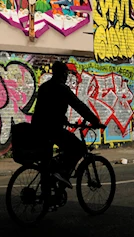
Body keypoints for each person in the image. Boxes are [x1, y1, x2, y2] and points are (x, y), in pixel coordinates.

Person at [31, 60, 106, 189]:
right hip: (52, 129)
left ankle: (47, 196)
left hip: (38, 128)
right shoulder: (62, 88)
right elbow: (79, 105)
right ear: (63, 74)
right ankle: (63, 173)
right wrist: (95, 121)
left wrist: (62, 118)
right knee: (79, 148)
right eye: (66, 73)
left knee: (47, 162)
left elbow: (45, 109)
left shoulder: (45, 87)